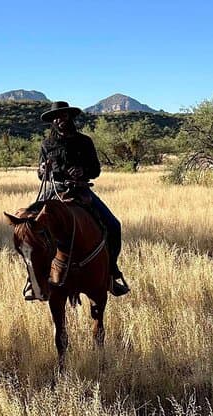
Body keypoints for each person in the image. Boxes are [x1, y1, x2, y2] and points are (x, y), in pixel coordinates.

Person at [26, 100, 129, 299]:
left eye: (63, 116)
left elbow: (96, 170)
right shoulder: (47, 144)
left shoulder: (85, 141)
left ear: (70, 117)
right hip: (53, 192)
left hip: (81, 191)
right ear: (52, 121)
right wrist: (42, 171)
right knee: (29, 229)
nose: (59, 120)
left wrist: (83, 171)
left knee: (114, 226)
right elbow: (41, 173)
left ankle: (112, 272)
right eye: (56, 117)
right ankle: (33, 280)